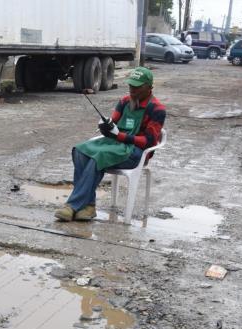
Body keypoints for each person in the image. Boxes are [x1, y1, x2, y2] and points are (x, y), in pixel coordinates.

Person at [54, 67, 166, 222]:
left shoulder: (157, 109)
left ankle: (72, 206)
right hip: (115, 143)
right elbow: (113, 121)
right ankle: (88, 206)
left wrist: (121, 136)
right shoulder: (125, 101)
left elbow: (148, 142)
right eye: (130, 85)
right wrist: (106, 126)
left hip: (136, 152)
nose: (132, 89)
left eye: (137, 86)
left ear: (149, 87)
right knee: (80, 150)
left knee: (98, 156)